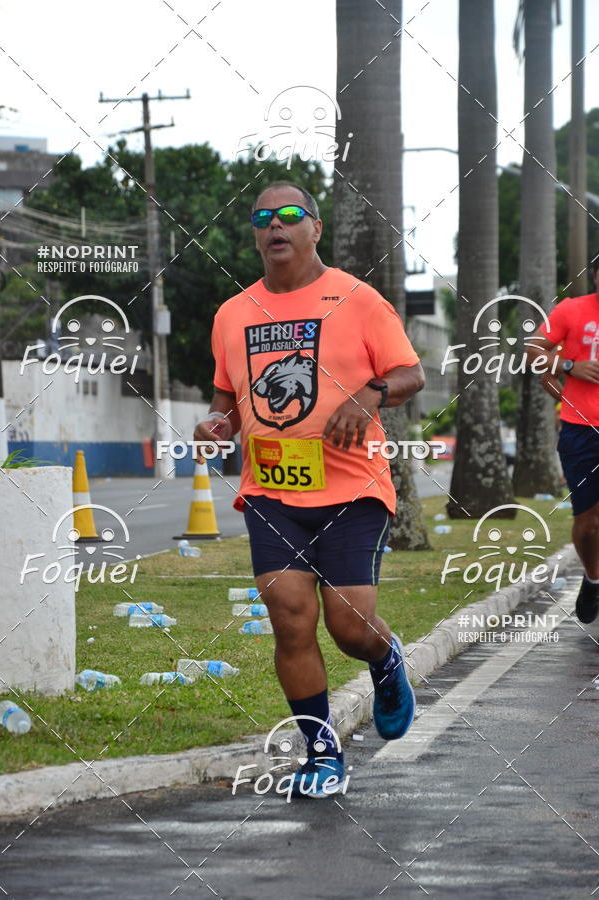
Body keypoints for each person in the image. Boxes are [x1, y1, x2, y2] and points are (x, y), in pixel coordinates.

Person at [194, 181, 425, 796]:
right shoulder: (232, 314)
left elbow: (410, 373)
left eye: (290, 214)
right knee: (290, 620)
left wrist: (369, 394)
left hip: (353, 490)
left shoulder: (357, 298)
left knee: (350, 628)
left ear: (315, 228)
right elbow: (225, 398)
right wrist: (215, 424)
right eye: (263, 218)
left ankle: (385, 658)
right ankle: (322, 753)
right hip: (271, 492)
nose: (276, 225)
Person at [527, 258, 599, 624]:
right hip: (581, 431)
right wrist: (571, 367)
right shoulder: (572, 310)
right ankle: (593, 578)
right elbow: (534, 353)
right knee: (588, 522)